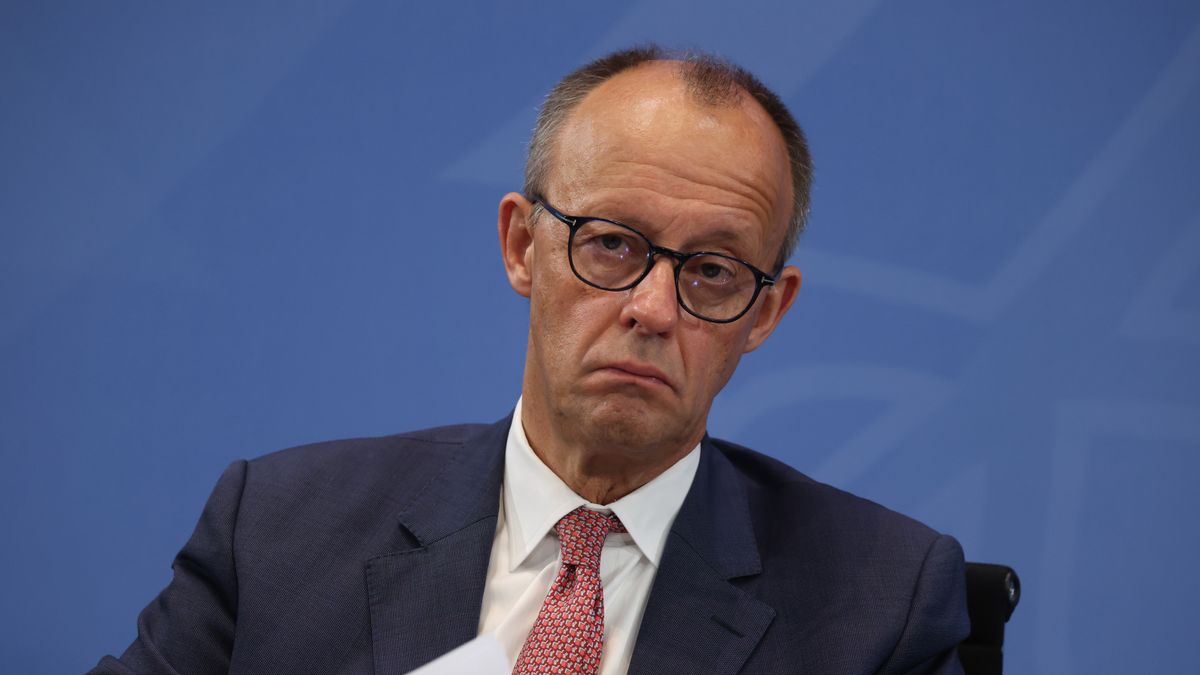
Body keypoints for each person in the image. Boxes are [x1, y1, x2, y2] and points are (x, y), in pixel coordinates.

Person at [92, 46, 969, 675]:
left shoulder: (880, 604)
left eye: (712, 270)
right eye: (614, 244)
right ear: (522, 245)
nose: (653, 309)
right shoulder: (277, 532)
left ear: (765, 312)